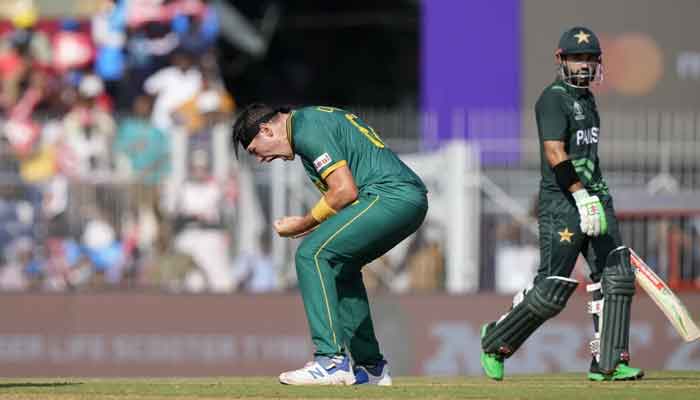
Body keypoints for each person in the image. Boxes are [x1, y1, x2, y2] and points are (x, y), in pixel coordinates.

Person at [479, 27, 644, 382]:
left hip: (595, 197)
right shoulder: (552, 99)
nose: (583, 65)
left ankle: (609, 362)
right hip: (562, 203)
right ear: (561, 60)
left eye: (590, 58)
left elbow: (588, 157)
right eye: (576, 58)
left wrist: (596, 198)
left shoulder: (588, 100)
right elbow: (555, 153)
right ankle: (495, 341)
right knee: (552, 290)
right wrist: (581, 197)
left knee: (616, 277)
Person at [232, 104, 428, 386]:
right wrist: (311, 225)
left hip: (390, 197)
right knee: (340, 268)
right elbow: (344, 200)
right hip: (403, 199)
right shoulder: (309, 127)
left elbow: (344, 191)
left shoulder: (306, 127)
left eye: (255, 151)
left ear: (266, 130)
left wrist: (302, 225)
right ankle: (371, 368)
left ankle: (331, 361)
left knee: (310, 255)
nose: (261, 159)